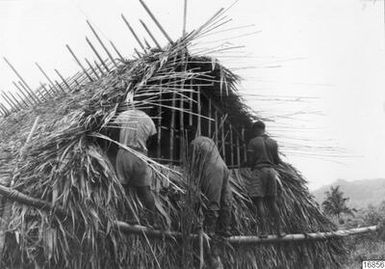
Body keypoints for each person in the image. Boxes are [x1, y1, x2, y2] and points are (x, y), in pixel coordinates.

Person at [114, 109, 157, 218]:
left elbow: (114, 132)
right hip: (140, 155)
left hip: (125, 152)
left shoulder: (124, 114)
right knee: (144, 189)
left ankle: (126, 216)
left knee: (122, 187)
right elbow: (152, 140)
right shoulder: (148, 119)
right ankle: (153, 219)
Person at [247, 120, 284, 237]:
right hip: (271, 172)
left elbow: (250, 161)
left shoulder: (253, 142)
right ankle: (279, 231)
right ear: (264, 128)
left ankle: (264, 232)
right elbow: (277, 160)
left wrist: (246, 163)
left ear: (256, 129)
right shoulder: (273, 142)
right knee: (272, 202)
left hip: (259, 171)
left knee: (260, 202)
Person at [189, 135, 232, 237]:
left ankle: (210, 230)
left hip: (212, 169)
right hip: (223, 167)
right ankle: (225, 228)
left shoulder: (194, 143)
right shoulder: (209, 140)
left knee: (213, 200)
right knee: (226, 199)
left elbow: (193, 164)